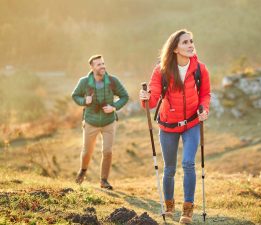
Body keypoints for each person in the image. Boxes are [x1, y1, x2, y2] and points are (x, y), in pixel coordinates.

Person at [139, 29, 210, 224]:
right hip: (168, 125)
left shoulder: (200, 69)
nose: (190, 45)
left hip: (192, 123)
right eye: (185, 42)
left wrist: (204, 108)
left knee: (188, 163)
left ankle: (187, 210)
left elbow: (205, 94)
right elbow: (151, 101)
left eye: (191, 41)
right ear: (175, 48)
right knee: (169, 168)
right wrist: (145, 98)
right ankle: (169, 205)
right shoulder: (161, 70)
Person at [72, 55, 129, 190]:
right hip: (90, 122)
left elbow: (125, 96)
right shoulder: (84, 82)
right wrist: (84, 101)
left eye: (103, 63)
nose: (102, 66)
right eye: (99, 64)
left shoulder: (113, 81)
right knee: (87, 151)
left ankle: (104, 180)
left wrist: (114, 107)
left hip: (109, 122)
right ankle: (83, 171)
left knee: (107, 151)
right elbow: (75, 95)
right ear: (92, 67)